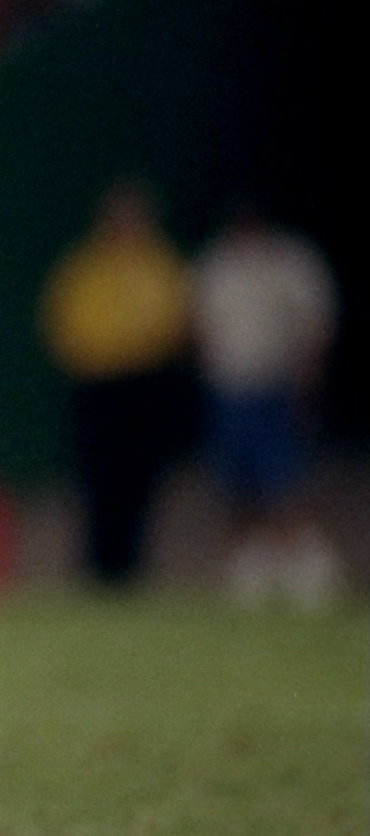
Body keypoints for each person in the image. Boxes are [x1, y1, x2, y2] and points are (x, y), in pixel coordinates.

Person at [38, 183, 191, 589]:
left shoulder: (160, 264)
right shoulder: (84, 267)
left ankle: (132, 566)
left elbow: (177, 320)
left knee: (141, 478)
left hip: (146, 385)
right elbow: (63, 325)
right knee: (98, 479)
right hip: (99, 387)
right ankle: (98, 566)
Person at [191, 204, 343, 609]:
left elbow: (316, 322)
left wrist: (308, 379)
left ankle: (309, 562)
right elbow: (199, 323)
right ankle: (250, 564)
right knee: (236, 481)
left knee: (286, 477)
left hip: (276, 385)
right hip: (229, 389)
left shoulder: (292, 261)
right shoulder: (217, 263)